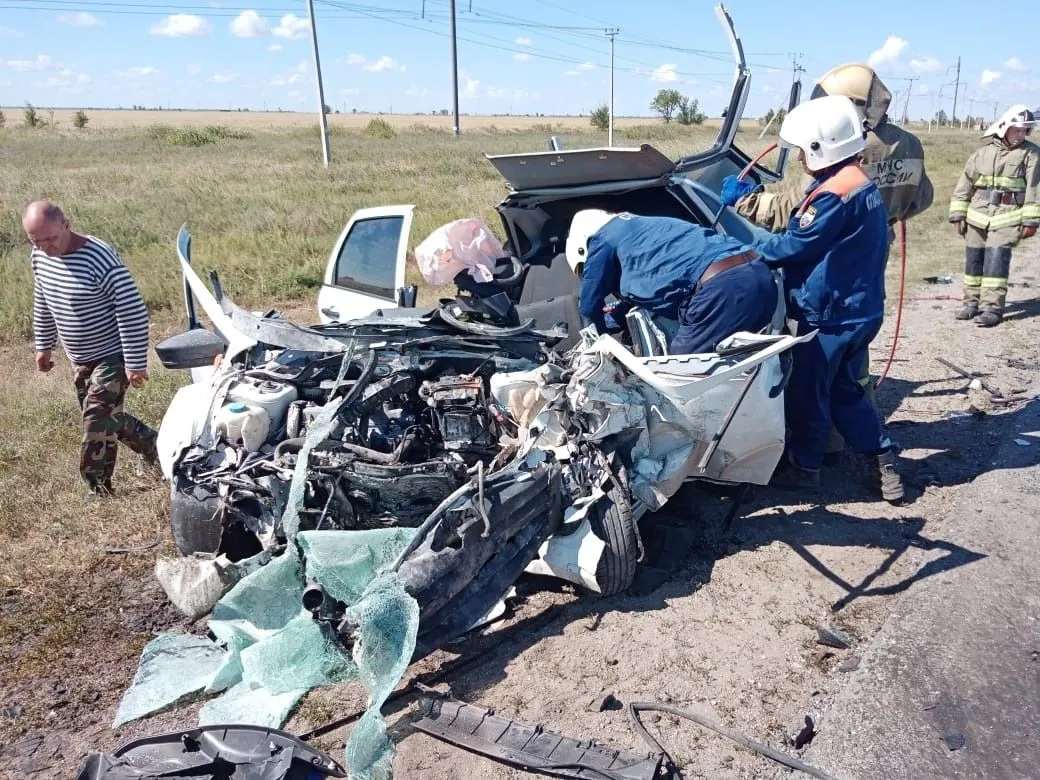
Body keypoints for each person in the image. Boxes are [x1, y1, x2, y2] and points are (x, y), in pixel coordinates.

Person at [726, 63, 933, 460]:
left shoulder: (834, 189)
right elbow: (919, 200)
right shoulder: (884, 161)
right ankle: (881, 458)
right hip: (865, 289)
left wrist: (748, 237)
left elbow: (798, 235)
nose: (801, 156)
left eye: (805, 150)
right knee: (851, 384)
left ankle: (808, 465)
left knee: (809, 390)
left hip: (829, 303)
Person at [24, 200, 160, 500]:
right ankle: (156, 446)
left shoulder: (98, 257)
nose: (46, 246)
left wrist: (135, 362)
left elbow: (132, 310)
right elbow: (44, 300)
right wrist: (43, 345)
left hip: (113, 353)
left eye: (51, 238)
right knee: (104, 417)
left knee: (96, 416)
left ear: (66, 224)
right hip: (80, 357)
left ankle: (98, 488)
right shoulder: (39, 256)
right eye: (37, 241)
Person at [564, 210, 778, 355]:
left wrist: (600, 345)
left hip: (722, 289)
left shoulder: (602, 240)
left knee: (678, 372)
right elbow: (640, 296)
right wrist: (612, 320)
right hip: (758, 273)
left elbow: (589, 306)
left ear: (584, 249)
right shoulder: (642, 229)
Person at [948, 104, 1038, 327]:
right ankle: (971, 303)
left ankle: (992, 308)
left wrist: (1031, 220)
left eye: (1024, 130)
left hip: (1008, 217)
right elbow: (965, 183)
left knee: (995, 263)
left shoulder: (1032, 155)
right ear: (1005, 127)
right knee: (974, 261)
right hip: (977, 216)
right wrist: (958, 213)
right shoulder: (982, 153)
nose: (1021, 134)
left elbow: (1034, 190)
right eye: (1017, 129)